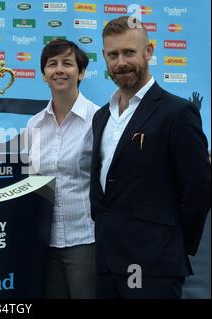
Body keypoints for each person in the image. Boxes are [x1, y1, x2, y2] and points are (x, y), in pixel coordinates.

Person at [90, 16, 211, 298]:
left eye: (129, 52)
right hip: (107, 264)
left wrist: (171, 244)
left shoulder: (177, 113)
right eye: (113, 54)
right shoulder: (101, 117)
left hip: (154, 266)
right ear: (105, 57)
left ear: (149, 51)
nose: (121, 62)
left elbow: (198, 190)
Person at [26, 39, 99, 298]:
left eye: (67, 63)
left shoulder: (99, 120)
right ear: (43, 75)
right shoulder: (33, 125)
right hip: (45, 242)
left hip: (87, 240)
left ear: (81, 73)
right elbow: (28, 181)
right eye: (51, 64)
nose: (59, 70)